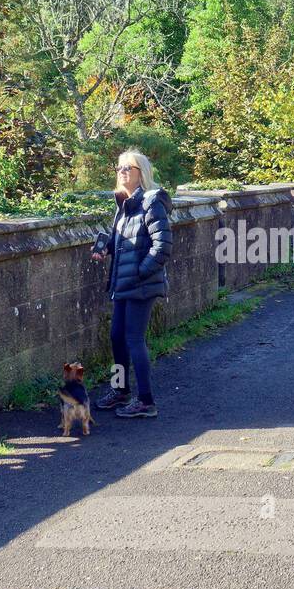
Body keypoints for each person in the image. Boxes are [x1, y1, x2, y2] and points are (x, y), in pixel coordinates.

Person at [91, 149, 172, 418]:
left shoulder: (151, 203)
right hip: (123, 283)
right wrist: (106, 249)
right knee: (116, 338)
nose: (122, 172)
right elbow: (122, 242)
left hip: (141, 284)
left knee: (134, 339)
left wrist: (140, 272)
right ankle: (120, 389)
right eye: (120, 168)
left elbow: (162, 247)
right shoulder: (124, 205)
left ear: (142, 174)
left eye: (129, 168)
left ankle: (146, 401)